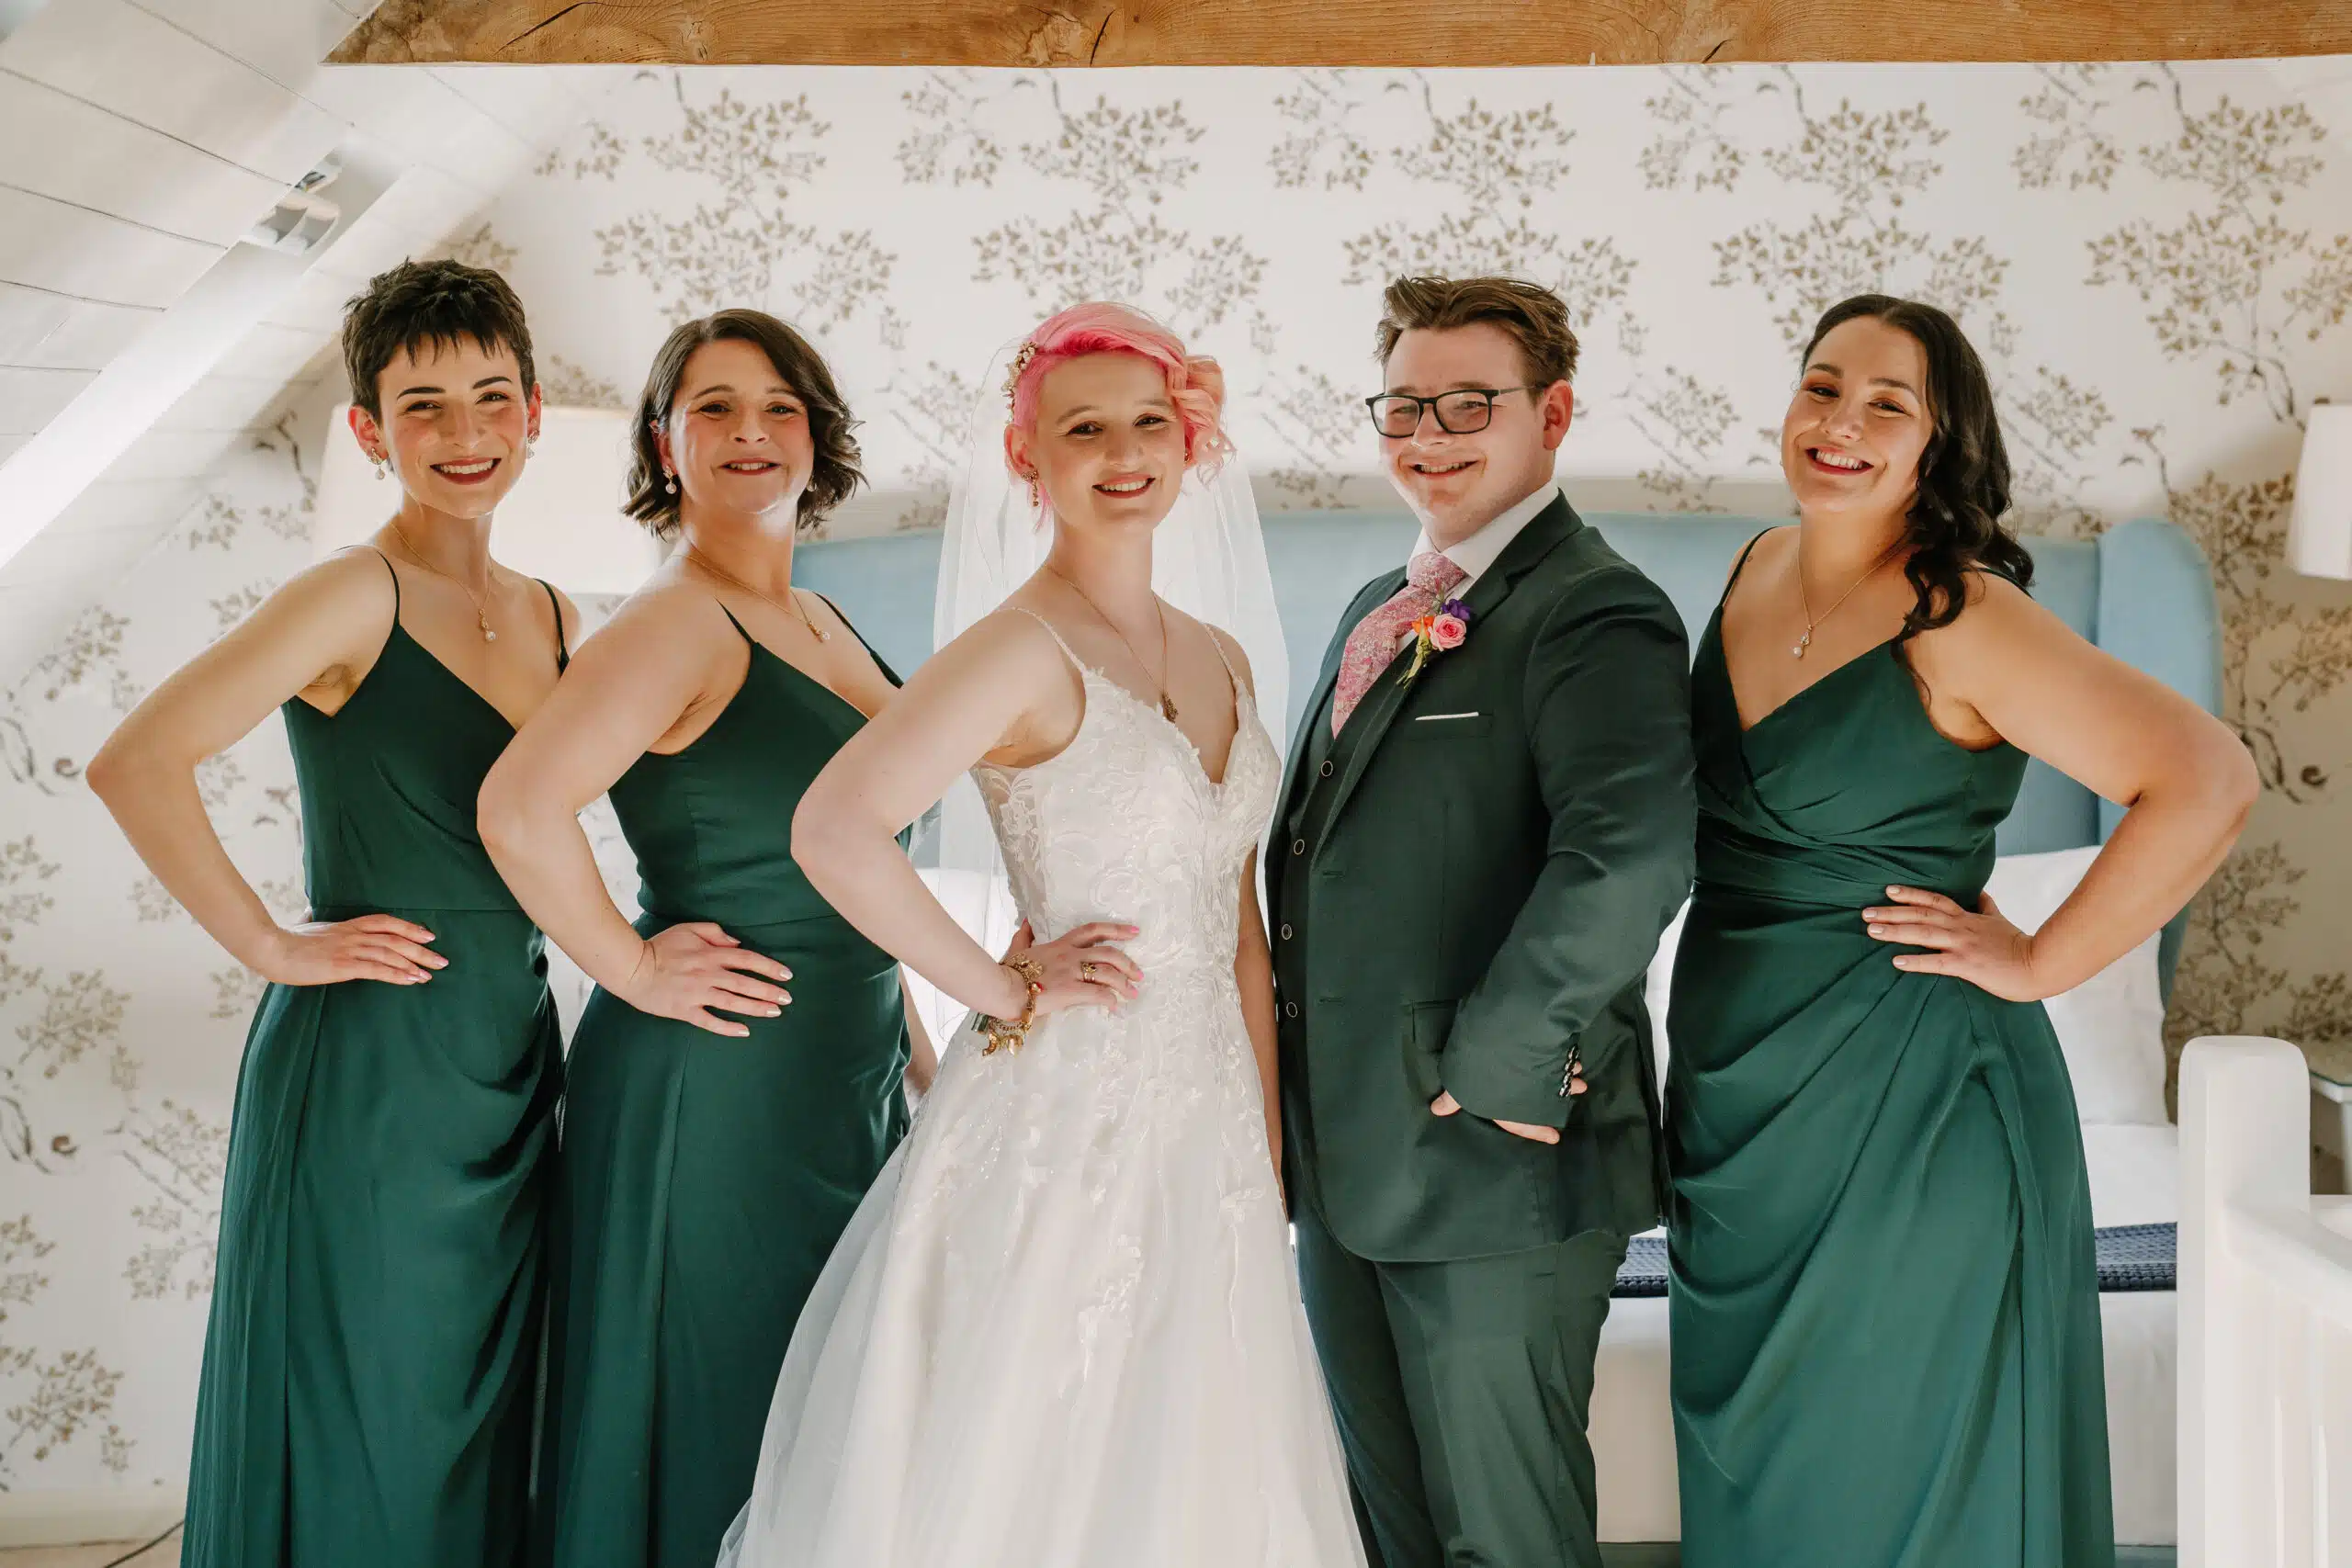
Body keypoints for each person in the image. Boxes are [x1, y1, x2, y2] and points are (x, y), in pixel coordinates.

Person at [717, 301, 1364, 1568]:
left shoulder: (1224, 655)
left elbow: (1239, 930)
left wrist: (1267, 1155)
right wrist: (1001, 987)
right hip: (1064, 1117)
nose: (1124, 453)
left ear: (1192, 446)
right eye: (1085, 429)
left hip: (1212, 1130)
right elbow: (833, 828)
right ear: (1031, 457)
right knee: (1033, 1447)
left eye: (1150, 424)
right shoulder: (1015, 647)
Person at [1666, 293, 2256, 1566]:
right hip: (1735, 1114)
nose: (1841, 423)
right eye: (1824, 386)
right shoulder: (1751, 568)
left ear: (1941, 442)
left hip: (1913, 1104)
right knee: (1764, 1481)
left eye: (1890, 404)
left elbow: (2207, 776)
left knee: (1902, 1465)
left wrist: (2039, 958)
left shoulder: (1962, 615)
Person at [88, 258, 569, 1568]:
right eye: (423, 406)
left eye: (487, 397)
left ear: (534, 409)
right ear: (369, 431)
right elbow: (137, 759)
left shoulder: (553, 613)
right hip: (372, 1069)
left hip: (512, 1056)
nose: (463, 435)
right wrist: (271, 944)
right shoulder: (352, 594)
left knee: (486, 1409)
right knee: (369, 1401)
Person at [475, 310, 932, 1568]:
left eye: (779, 405)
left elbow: (857, 863)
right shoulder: (672, 623)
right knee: (723, 1404)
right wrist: (629, 962)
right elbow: (518, 808)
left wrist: (914, 1037)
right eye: (714, 407)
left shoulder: (827, 621)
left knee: (823, 1412)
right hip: (714, 1083)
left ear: (816, 434)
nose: (751, 431)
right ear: (665, 446)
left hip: (841, 1072)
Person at [1271, 274, 1696, 1568]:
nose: (1428, 434)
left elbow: (1629, 854)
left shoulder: (1592, 606)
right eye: (1403, 404)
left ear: (1552, 414)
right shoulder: (1373, 605)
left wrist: (1503, 1070)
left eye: (1470, 404)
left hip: (1496, 1153)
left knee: (1504, 1539)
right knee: (1390, 1533)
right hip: (1342, 1163)